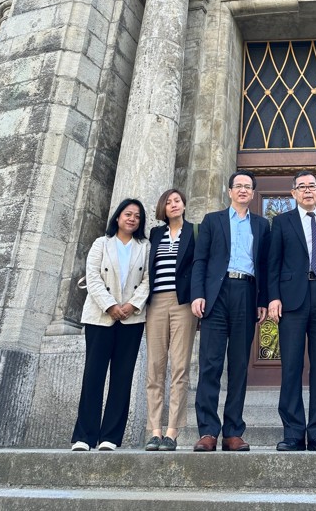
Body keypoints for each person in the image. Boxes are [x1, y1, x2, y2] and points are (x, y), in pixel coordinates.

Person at [190, 170, 270, 451]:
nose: (243, 190)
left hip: (246, 293)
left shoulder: (262, 225)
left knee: (238, 366)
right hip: (216, 295)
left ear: (253, 193)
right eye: (239, 186)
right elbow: (200, 260)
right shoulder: (212, 221)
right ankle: (208, 431)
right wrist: (198, 294)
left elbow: (266, 267)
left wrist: (264, 299)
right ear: (230, 191)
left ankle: (233, 431)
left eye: (248, 187)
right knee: (210, 365)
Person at [71, 198, 149, 451]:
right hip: (100, 316)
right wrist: (111, 305)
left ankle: (110, 437)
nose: (132, 219)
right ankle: (84, 436)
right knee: (93, 375)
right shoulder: (101, 244)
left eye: (137, 216)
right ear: (117, 217)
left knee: (122, 377)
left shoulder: (145, 246)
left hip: (132, 318)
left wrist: (131, 305)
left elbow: (149, 279)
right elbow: (92, 277)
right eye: (128, 214)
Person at [268, 171, 316, 452]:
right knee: (292, 366)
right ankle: (293, 432)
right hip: (292, 298)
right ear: (293, 192)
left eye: (312, 186)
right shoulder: (281, 222)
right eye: (302, 187)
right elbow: (272, 263)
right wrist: (273, 297)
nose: (307, 191)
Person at [144, 188, 198, 451]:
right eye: (168, 202)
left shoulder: (195, 231)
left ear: (184, 205)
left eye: (177, 201)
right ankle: (154, 430)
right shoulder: (155, 234)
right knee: (155, 367)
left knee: (179, 368)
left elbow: (199, 267)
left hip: (183, 304)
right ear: (162, 209)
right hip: (155, 303)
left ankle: (172, 432)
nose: (173, 205)